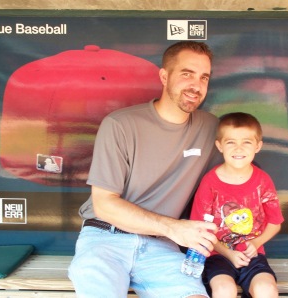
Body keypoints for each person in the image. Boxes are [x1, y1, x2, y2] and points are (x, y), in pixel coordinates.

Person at [68, 41, 221, 298]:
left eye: (203, 77)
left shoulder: (212, 129)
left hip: (161, 248)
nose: (196, 86)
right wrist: (173, 228)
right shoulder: (120, 124)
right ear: (164, 76)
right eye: (187, 74)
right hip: (105, 238)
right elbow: (105, 204)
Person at [190, 112, 284, 298]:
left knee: (267, 289)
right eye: (231, 142)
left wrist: (255, 243)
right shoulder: (210, 182)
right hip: (217, 255)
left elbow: (275, 223)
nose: (238, 149)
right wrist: (229, 254)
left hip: (253, 255)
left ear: (258, 146)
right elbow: (200, 230)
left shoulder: (262, 181)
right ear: (220, 146)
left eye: (247, 142)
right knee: (225, 290)